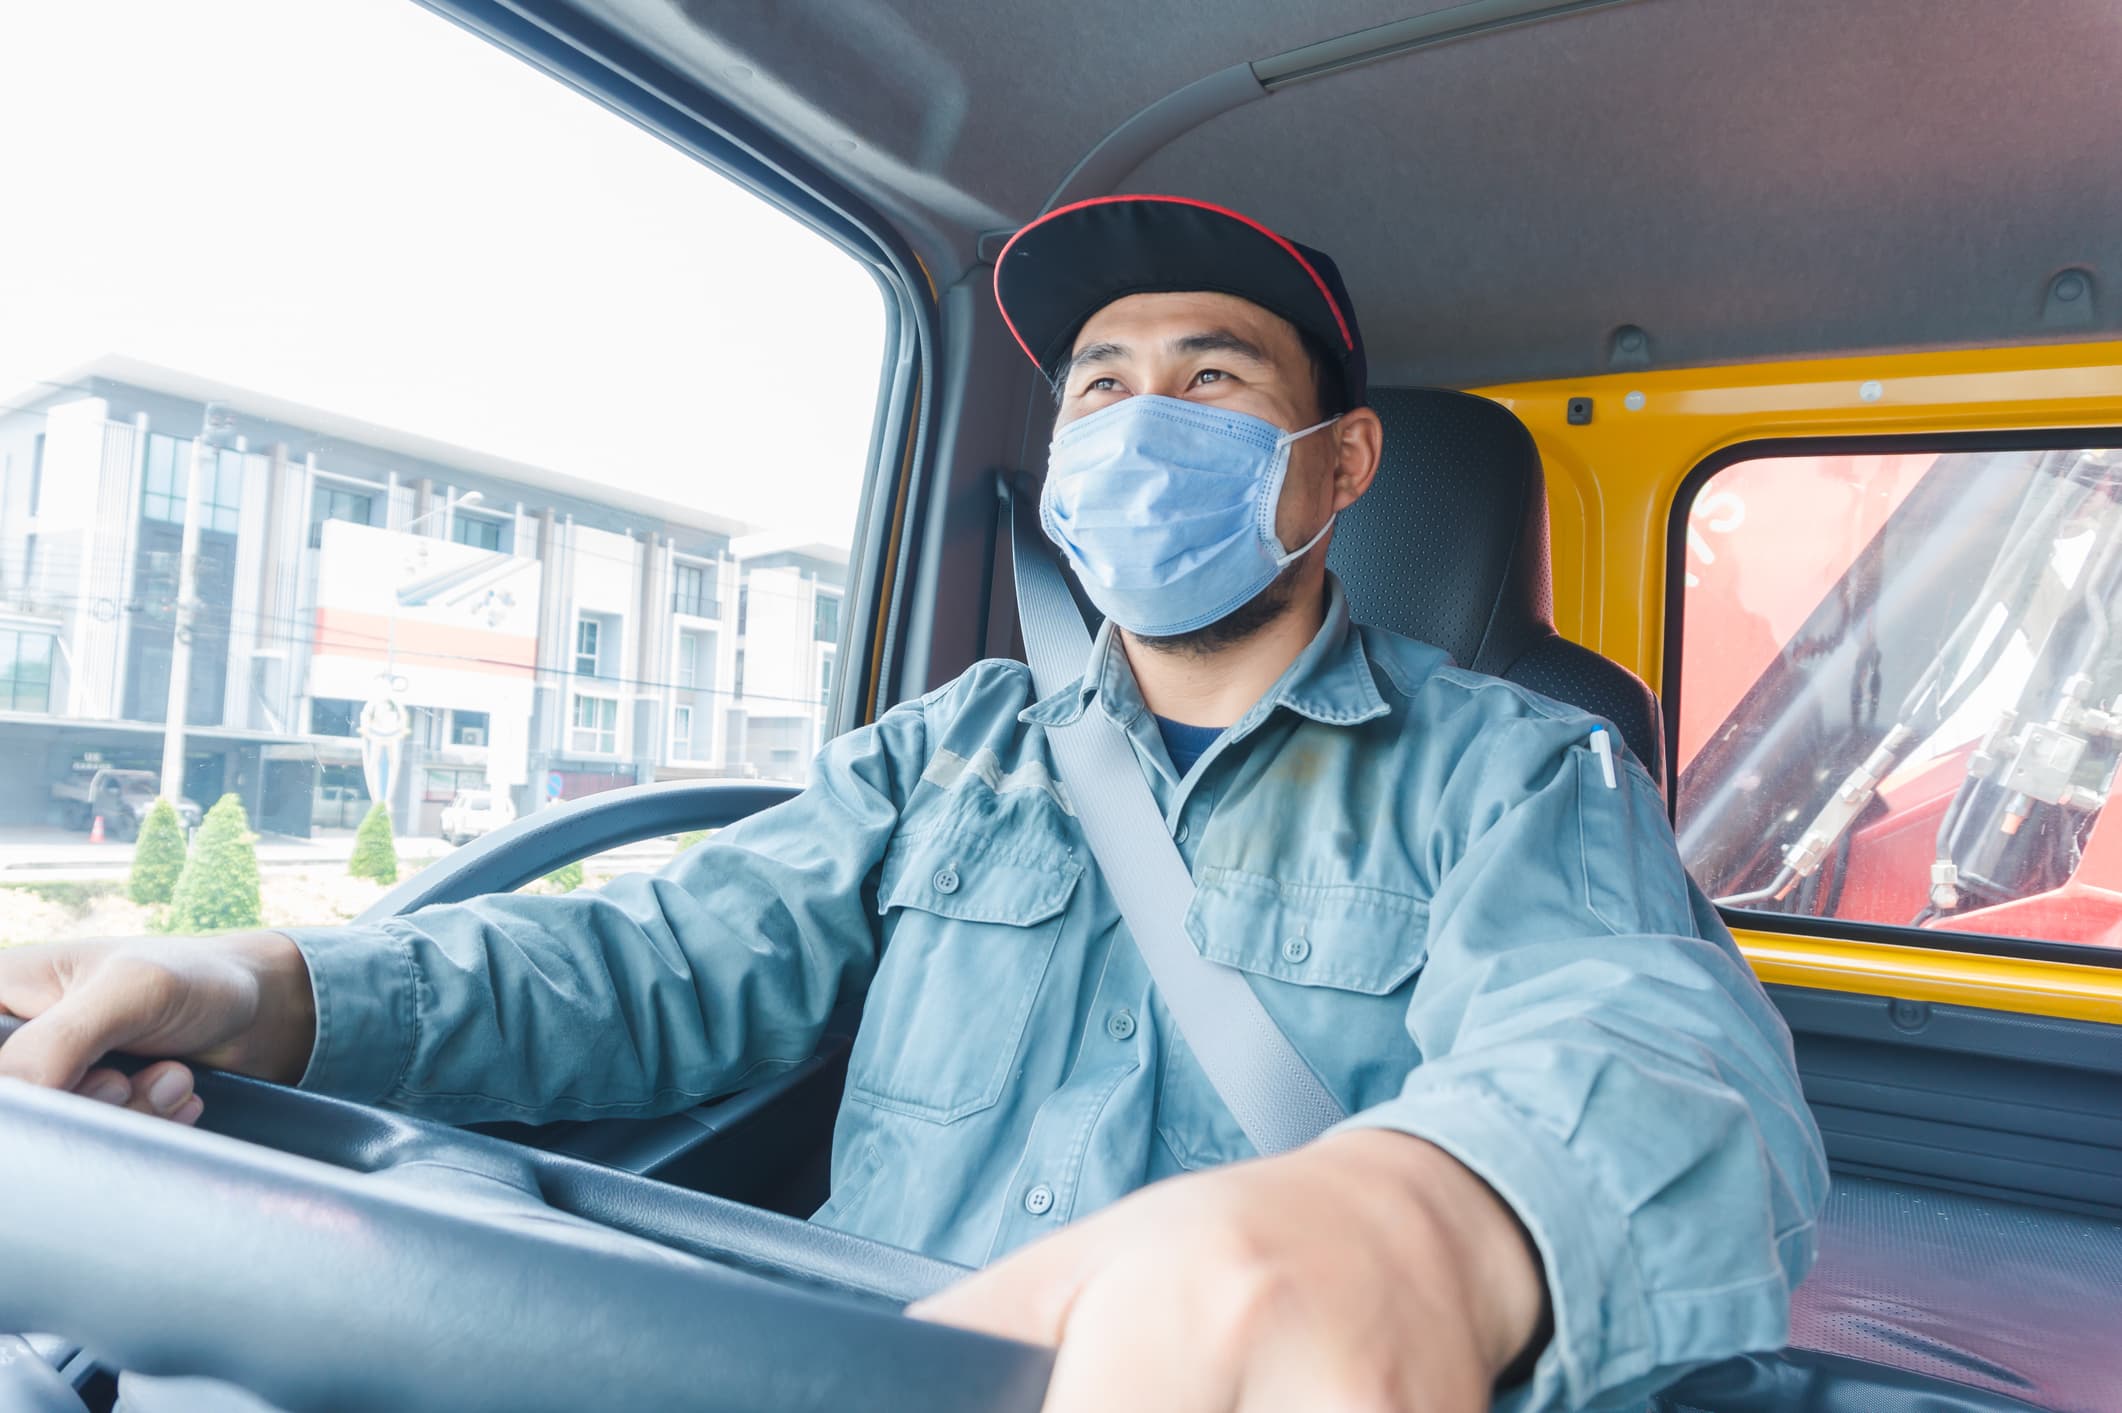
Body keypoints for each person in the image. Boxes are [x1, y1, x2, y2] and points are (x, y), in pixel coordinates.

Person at [0, 195, 1827, 1413]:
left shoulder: (1510, 764)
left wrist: (1428, 1220)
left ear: (1332, 465)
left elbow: (1650, 1036)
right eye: (1101, 388)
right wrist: (251, 985)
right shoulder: (947, 746)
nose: (1137, 419)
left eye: (1211, 378)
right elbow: (643, 958)